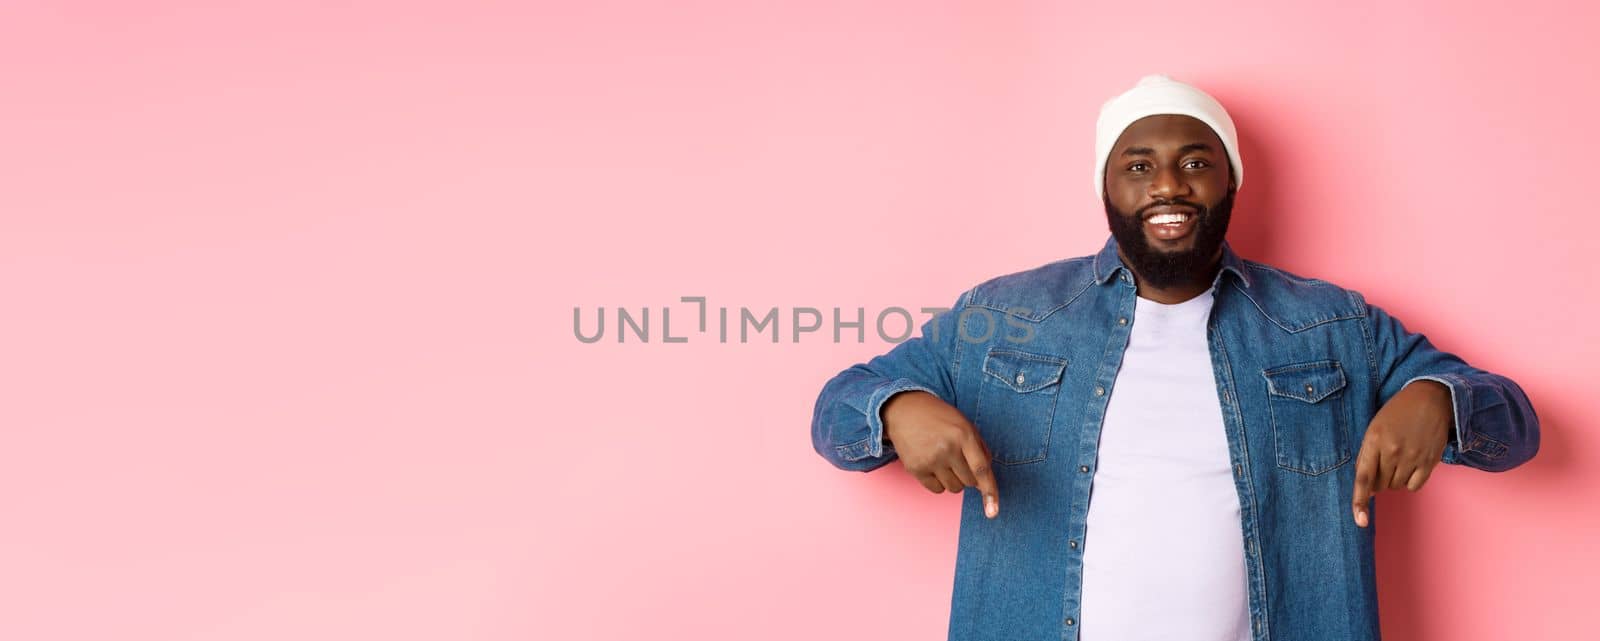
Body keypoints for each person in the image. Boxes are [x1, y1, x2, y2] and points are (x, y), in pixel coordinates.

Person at [808, 74, 1539, 641]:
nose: (1167, 184)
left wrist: (1439, 400)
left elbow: (1516, 428)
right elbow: (839, 410)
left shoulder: (1331, 323)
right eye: (1138, 164)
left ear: (1231, 180)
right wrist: (898, 406)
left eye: (1195, 161)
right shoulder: (1006, 317)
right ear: (1105, 184)